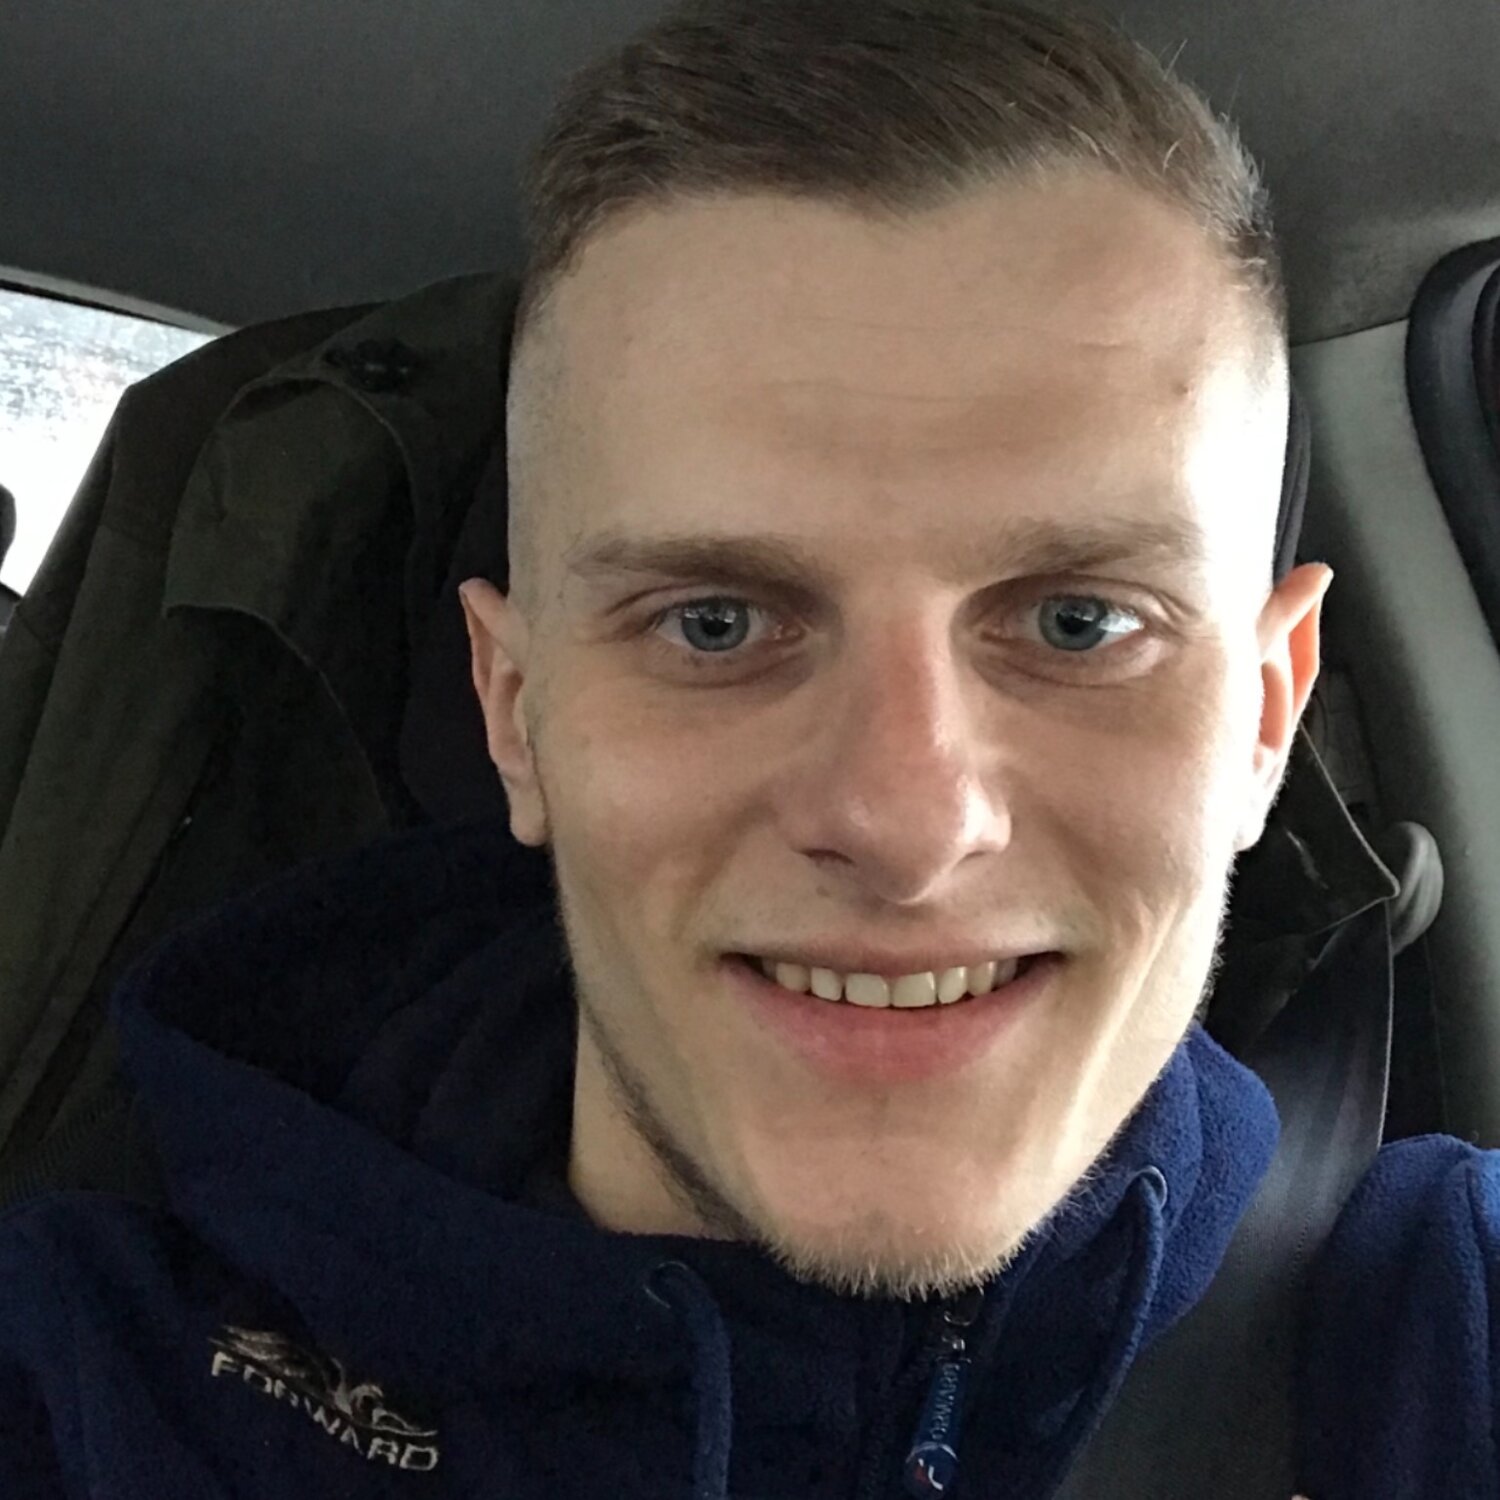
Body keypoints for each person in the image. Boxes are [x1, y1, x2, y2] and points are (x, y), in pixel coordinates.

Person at [0, 2, 1491, 1496]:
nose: (906, 821)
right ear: (514, 711)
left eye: (1080, 623)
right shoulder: (87, 1381)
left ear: (1264, 717)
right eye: (714, 624)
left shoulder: (1448, 1323)